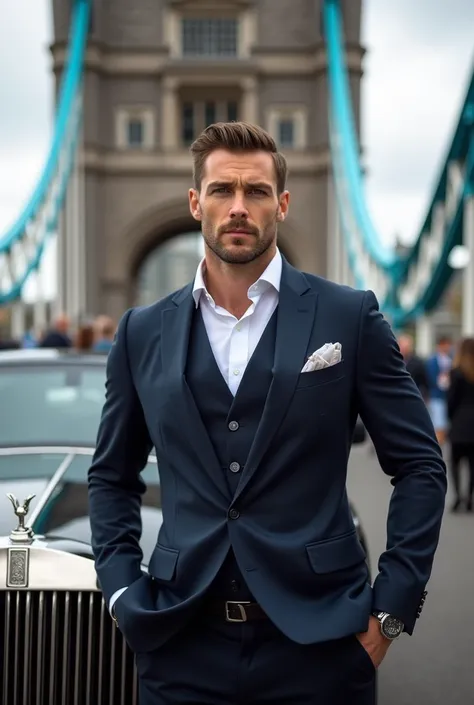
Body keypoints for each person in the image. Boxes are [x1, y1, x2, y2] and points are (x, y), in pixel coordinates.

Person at [88, 122, 447, 705]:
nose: (237, 207)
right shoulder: (141, 332)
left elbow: (420, 468)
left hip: (323, 646)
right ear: (194, 201)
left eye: (255, 192)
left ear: (281, 203)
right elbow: (110, 475)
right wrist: (122, 591)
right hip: (179, 643)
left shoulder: (348, 317)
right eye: (222, 190)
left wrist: (390, 612)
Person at [447, 337, 474, 512]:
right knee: (473, 465)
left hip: (459, 422)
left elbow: (451, 400)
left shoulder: (456, 372)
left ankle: (458, 497)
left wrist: (451, 419)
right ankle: (470, 498)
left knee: (455, 463)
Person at [426, 335, 453, 446]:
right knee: (439, 423)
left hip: (448, 395)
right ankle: (437, 446)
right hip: (437, 395)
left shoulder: (451, 359)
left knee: (445, 425)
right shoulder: (432, 361)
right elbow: (431, 378)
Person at [397, 333, 429, 401]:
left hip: (412, 397)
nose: (404, 349)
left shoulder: (418, 363)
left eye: (406, 347)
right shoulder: (393, 361)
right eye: (402, 346)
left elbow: (423, 382)